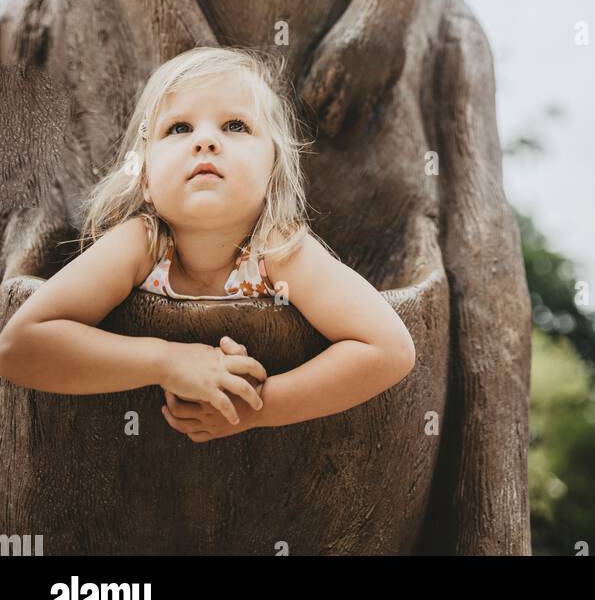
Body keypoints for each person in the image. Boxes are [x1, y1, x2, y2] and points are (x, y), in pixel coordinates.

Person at [0, 46, 415, 442]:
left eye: (236, 126)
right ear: (145, 179)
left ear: (273, 171)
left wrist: (258, 409)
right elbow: (19, 345)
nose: (205, 141)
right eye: (179, 128)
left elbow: (389, 348)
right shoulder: (141, 244)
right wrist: (167, 361)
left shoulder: (278, 252)